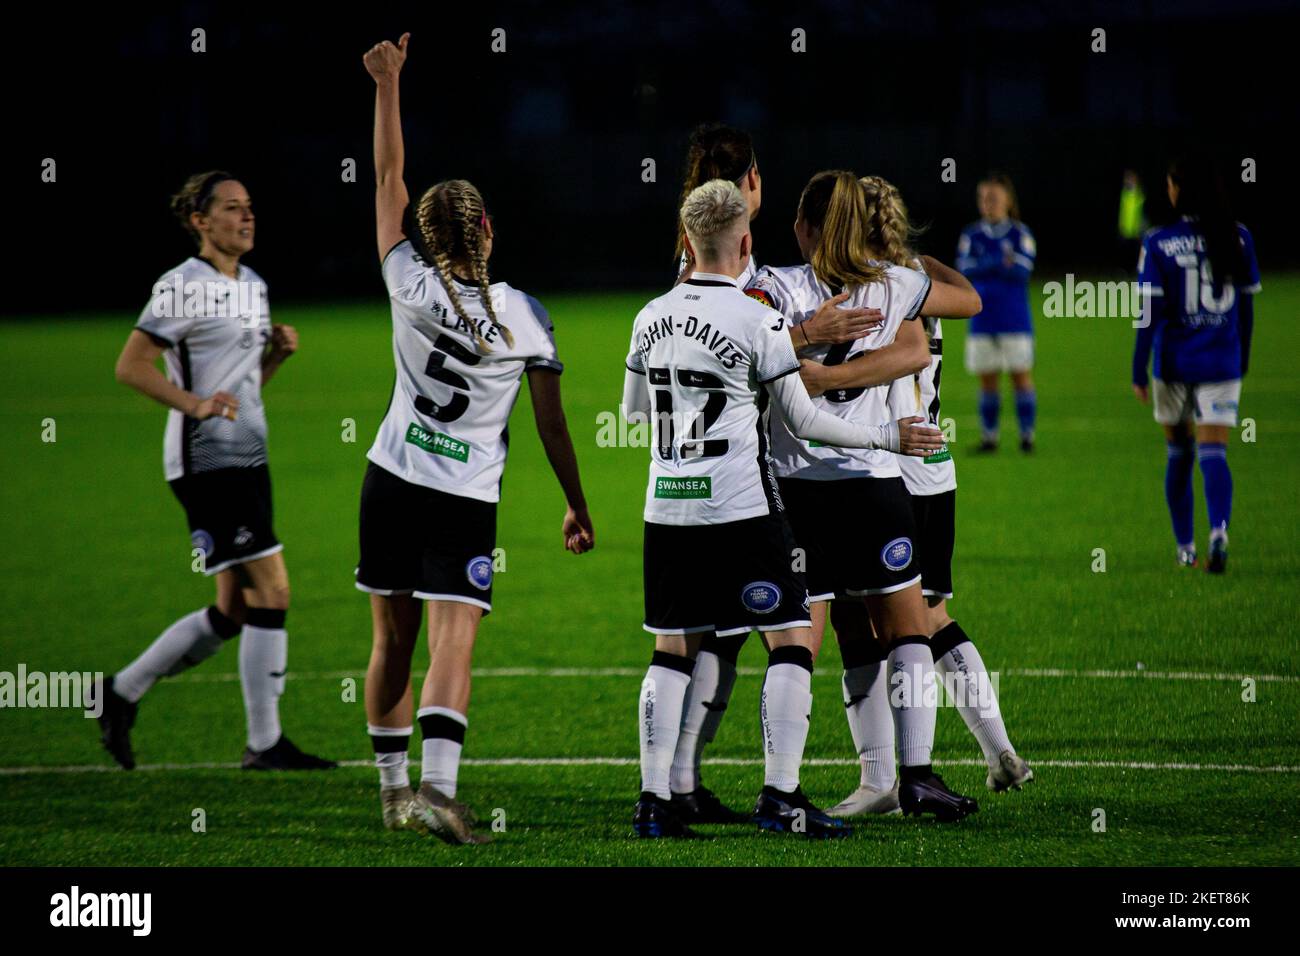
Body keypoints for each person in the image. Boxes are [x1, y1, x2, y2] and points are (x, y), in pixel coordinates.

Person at [625, 179, 944, 838]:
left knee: (670, 651)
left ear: (686, 242)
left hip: (667, 504)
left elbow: (634, 412)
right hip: (744, 503)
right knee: (793, 641)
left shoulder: (648, 315)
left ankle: (654, 801)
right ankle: (782, 795)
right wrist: (888, 435)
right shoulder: (758, 317)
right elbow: (807, 418)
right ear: (745, 241)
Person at [359, 33, 595, 844]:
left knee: (389, 637)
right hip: (462, 497)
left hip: (389, 477)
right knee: (451, 636)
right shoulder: (524, 315)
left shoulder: (405, 280)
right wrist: (575, 504)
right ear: (488, 228)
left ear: (426, 237)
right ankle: (438, 790)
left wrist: (388, 84)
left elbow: (389, 176)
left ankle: (393, 796)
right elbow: (552, 423)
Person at [745, 170, 983, 820]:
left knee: (802, 639)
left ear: (802, 227)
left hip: (795, 491)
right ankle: (915, 777)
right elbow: (920, 341)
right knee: (907, 629)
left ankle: (790, 789)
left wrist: (818, 373)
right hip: (875, 484)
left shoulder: (772, 285)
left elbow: (747, 360)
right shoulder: (897, 281)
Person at [667, 124, 881, 825]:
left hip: (688, 483)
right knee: (789, 631)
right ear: (752, 182)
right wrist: (808, 335)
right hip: (753, 481)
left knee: (708, 638)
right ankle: (779, 794)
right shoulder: (741, 266)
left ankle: (676, 786)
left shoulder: (694, 253)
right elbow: (740, 349)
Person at [799, 176, 1033, 816]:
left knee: (880, 623)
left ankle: (889, 778)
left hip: (887, 466)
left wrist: (826, 373)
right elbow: (974, 300)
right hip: (932, 468)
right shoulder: (915, 282)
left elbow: (902, 353)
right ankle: (993, 752)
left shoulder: (870, 285)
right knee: (923, 617)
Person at [98, 170, 334, 772]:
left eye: (250, 207)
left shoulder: (252, 284)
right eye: (231, 209)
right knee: (274, 589)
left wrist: (272, 359)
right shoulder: (183, 285)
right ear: (200, 221)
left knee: (234, 606)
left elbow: (243, 387)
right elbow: (131, 366)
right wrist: (194, 404)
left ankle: (120, 692)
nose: (246, 217)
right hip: (207, 461)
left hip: (248, 456)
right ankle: (265, 743)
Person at [1133, 156, 1260, 573]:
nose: (1167, 190)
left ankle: (1186, 548)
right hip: (1222, 360)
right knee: (1214, 452)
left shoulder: (1159, 240)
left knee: (1178, 453)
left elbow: (1148, 313)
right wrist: (1242, 356)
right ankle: (1218, 532)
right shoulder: (1238, 236)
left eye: (1170, 183)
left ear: (1178, 189)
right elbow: (1246, 307)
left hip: (1174, 363)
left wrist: (1139, 366)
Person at [957, 173, 1038, 452]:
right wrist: (999, 261)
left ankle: (1027, 436)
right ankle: (989, 438)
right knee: (987, 380)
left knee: (1021, 377)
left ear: (1007, 200)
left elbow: (1023, 271)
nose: (987, 203)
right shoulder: (971, 235)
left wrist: (985, 264)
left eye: (993, 197)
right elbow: (964, 270)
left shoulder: (1020, 233)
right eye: (983, 198)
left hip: (1015, 319)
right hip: (982, 319)